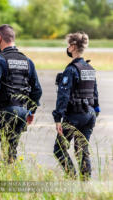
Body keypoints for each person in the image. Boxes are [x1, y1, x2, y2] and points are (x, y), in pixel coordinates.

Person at [0, 24, 42, 164]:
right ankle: (9, 176)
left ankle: (0, 174)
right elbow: (37, 90)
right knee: (10, 151)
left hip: (5, 111)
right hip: (22, 113)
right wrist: (30, 111)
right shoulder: (28, 61)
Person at [52, 32, 100, 181]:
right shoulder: (90, 69)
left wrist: (58, 118)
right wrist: (94, 113)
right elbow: (95, 95)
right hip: (89, 115)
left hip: (75, 116)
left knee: (59, 149)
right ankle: (86, 183)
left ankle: (72, 178)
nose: (67, 48)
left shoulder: (71, 70)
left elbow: (63, 96)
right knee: (82, 150)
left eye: (68, 45)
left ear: (73, 47)